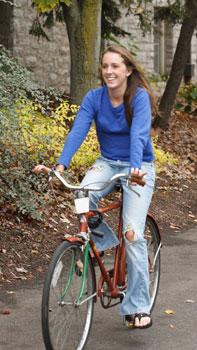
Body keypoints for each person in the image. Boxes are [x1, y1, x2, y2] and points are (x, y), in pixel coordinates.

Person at [34, 45, 159, 329]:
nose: (109, 72)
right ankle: (104, 243)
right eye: (105, 66)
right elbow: (78, 129)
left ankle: (138, 306)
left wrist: (136, 168)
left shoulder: (137, 98)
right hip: (107, 163)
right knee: (81, 195)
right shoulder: (95, 97)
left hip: (138, 167)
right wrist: (61, 165)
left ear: (128, 70)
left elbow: (139, 135)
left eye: (115, 66)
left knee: (133, 233)